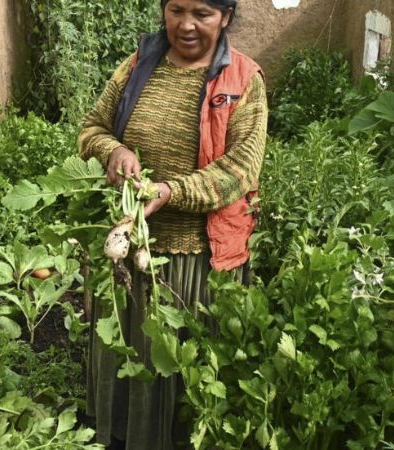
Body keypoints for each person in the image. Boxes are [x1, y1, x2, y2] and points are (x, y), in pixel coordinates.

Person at [78, 0, 267, 448]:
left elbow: (240, 170)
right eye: (176, 9)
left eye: (201, 13)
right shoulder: (138, 64)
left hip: (195, 256)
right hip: (132, 247)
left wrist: (169, 192)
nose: (185, 25)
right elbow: (92, 127)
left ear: (226, 16)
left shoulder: (243, 80)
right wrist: (112, 151)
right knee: (128, 350)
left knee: (183, 367)